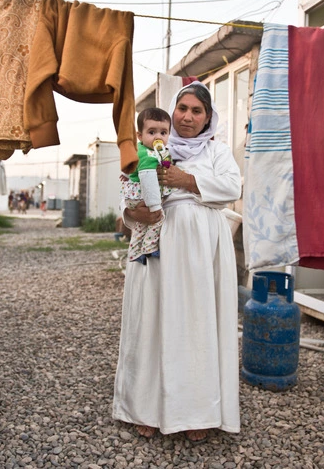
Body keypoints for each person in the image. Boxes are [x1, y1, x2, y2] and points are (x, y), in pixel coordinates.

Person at [112, 81, 242, 441]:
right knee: (151, 322)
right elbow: (126, 196)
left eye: (196, 110)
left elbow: (233, 188)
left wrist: (187, 179)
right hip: (157, 249)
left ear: (207, 117)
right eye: (182, 108)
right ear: (172, 112)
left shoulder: (217, 151)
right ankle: (145, 409)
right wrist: (134, 212)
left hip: (201, 253)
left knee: (196, 326)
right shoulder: (149, 149)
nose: (187, 116)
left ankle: (197, 412)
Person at [120, 107, 172, 264]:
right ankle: (149, 247)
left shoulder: (144, 150)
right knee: (157, 219)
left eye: (163, 133)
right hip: (144, 196)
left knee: (140, 226)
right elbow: (148, 178)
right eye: (152, 132)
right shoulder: (147, 154)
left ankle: (135, 252)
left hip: (134, 195)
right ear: (140, 135)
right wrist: (155, 205)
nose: (158, 137)